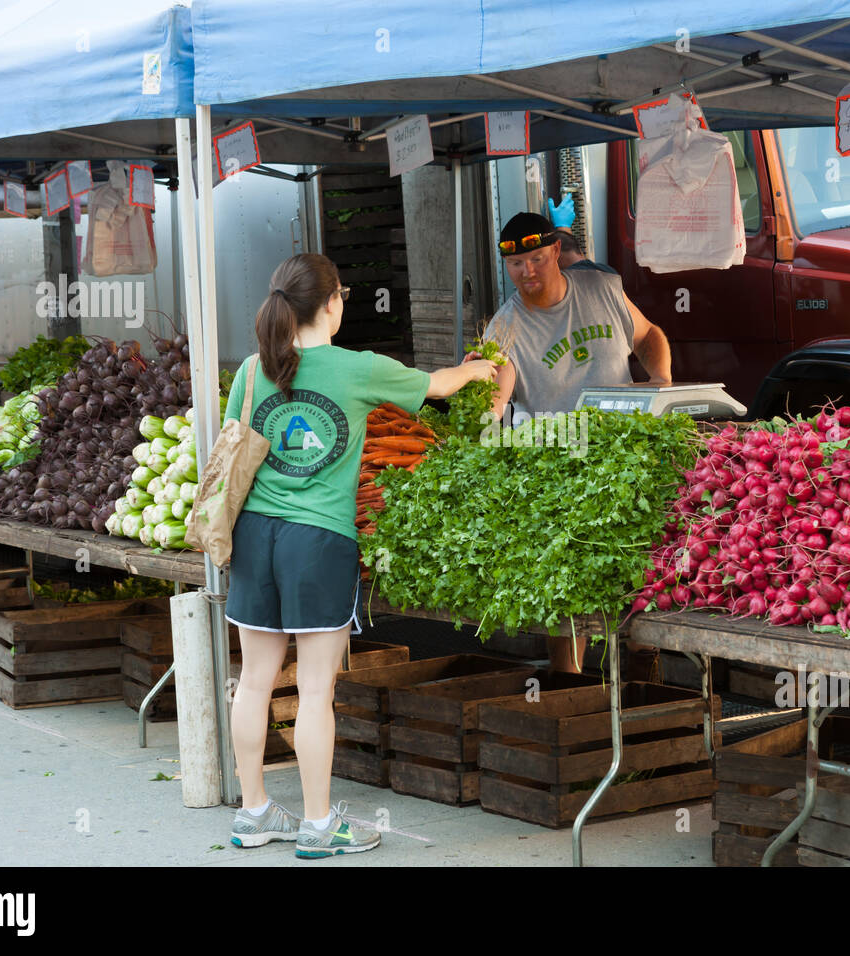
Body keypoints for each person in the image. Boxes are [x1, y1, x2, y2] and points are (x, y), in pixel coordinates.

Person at [223, 253, 497, 858]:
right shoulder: (359, 368)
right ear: (332, 304)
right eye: (342, 295)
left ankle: (254, 814)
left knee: (254, 682)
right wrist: (479, 371)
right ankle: (320, 827)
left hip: (252, 538)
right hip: (316, 542)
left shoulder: (250, 369)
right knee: (316, 689)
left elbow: (234, 450)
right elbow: (440, 385)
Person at [481, 211, 672, 674]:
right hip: (562, 475)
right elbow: (495, 398)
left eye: (536, 260)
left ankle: (647, 684)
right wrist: (485, 417)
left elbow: (649, 336)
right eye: (516, 265)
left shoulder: (602, 290)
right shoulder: (504, 329)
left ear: (556, 254)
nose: (527, 273)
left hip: (633, 459)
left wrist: (661, 379)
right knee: (567, 598)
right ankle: (572, 691)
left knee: (644, 579)